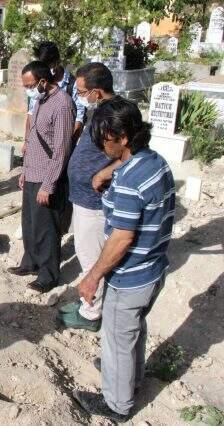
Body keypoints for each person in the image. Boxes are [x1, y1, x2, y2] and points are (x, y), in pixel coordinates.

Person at [72, 97, 175, 422]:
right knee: (133, 331)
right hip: (153, 268)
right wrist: (111, 183)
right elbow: (136, 209)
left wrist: (92, 277)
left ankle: (116, 405)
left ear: (124, 137)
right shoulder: (154, 162)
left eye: (105, 139)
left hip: (130, 276)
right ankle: (131, 376)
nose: (102, 146)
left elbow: (121, 238)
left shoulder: (131, 179)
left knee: (118, 337)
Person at [57, 63, 121, 332]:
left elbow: (132, 154)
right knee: (85, 251)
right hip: (82, 196)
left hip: (93, 200)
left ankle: (91, 312)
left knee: (90, 255)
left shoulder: (118, 114)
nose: (78, 94)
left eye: (81, 91)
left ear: (96, 91)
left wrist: (104, 172)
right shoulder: (102, 110)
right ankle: (88, 303)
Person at [9, 60, 75, 293]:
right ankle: (31, 262)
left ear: (43, 82)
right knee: (29, 223)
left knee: (47, 228)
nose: (27, 89)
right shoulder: (40, 100)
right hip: (32, 172)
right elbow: (34, 140)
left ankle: (48, 275)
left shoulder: (63, 105)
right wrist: (25, 171)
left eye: (30, 85)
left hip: (48, 177)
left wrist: (48, 185)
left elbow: (60, 150)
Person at [29, 41, 85, 143]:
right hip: (39, 141)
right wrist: (26, 141)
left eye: (46, 66)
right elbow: (31, 113)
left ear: (56, 62)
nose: (43, 71)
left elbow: (79, 119)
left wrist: (69, 145)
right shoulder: (40, 82)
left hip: (63, 141)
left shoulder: (72, 85)